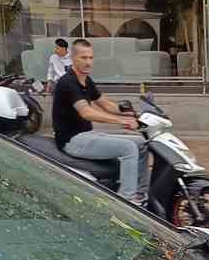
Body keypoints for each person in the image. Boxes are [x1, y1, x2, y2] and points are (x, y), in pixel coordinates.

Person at [51, 38, 147, 204]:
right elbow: (86, 112)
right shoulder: (68, 82)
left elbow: (106, 105)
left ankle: (141, 192)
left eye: (91, 57)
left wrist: (134, 114)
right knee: (129, 148)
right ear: (73, 58)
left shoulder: (86, 81)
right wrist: (122, 122)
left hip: (87, 135)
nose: (88, 62)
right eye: (84, 58)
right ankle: (128, 200)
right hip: (72, 141)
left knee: (141, 142)